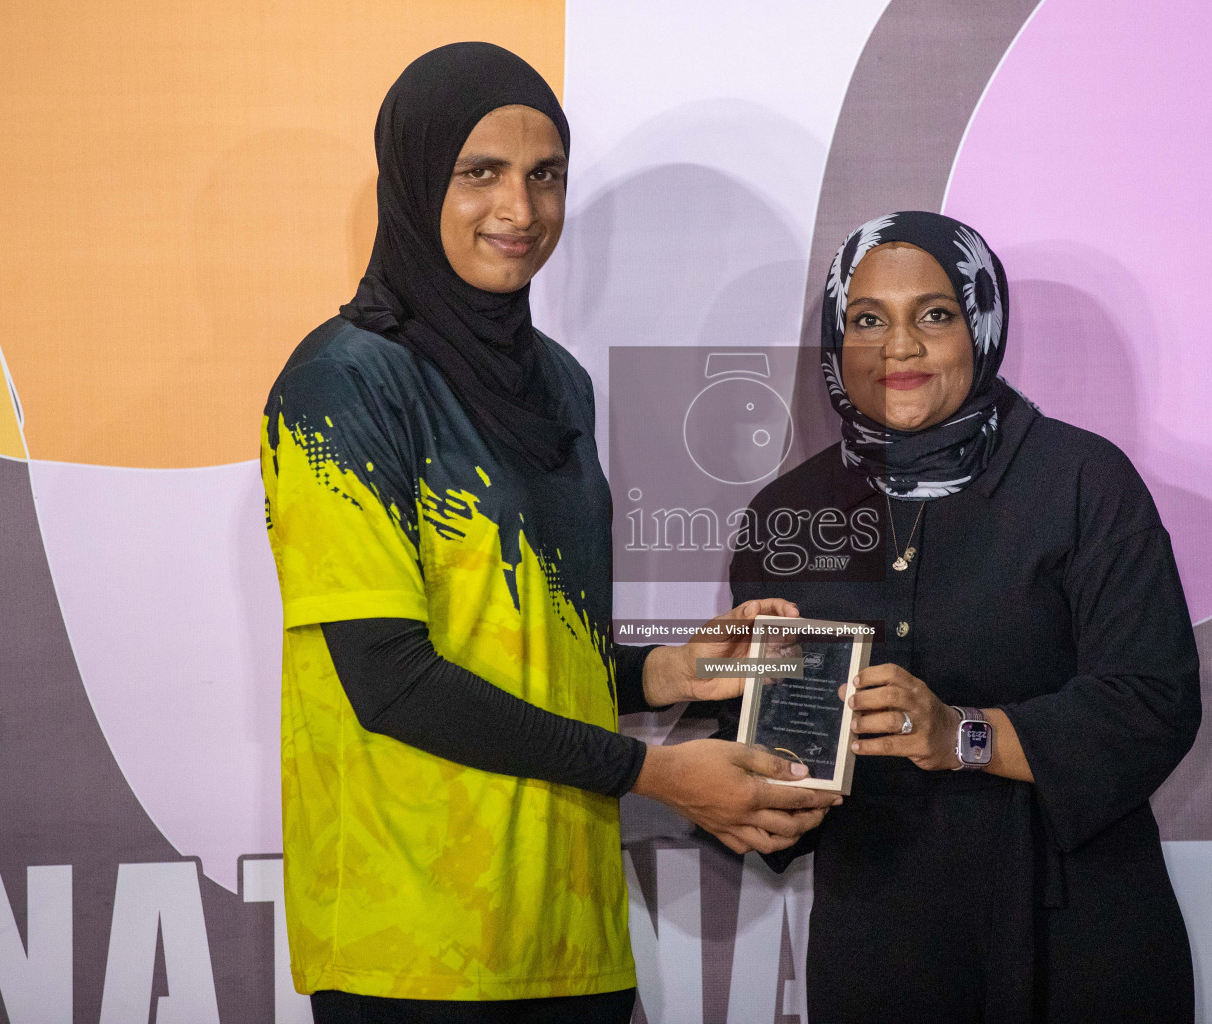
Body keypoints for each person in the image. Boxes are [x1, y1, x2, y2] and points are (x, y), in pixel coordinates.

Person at [260, 42, 836, 1023]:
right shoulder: (337, 386)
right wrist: (658, 772)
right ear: (412, 181)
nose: (520, 210)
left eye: (546, 176)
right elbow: (391, 678)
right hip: (416, 944)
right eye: (478, 173)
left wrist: (664, 673)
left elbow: (526, 644)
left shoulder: (559, 383)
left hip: (569, 936)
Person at [730, 211, 1202, 1022]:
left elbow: (1153, 702)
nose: (899, 347)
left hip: (1077, 931)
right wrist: (761, 795)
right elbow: (769, 737)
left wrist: (961, 735)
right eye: (868, 319)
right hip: (881, 942)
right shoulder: (787, 513)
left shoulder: (1082, 481)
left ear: (981, 326)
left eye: (935, 315)